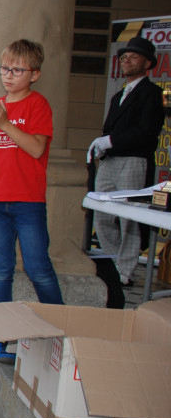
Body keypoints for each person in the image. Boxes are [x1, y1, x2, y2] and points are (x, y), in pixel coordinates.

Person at [0, 39, 64, 362]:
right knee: (0, 270)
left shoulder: (38, 106)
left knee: (38, 267)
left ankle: (61, 330)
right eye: (4, 69)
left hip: (27, 202)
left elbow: (37, 148)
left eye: (17, 70)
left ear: (34, 74)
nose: (8, 76)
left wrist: (5, 125)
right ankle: (1, 339)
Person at [88, 36, 165, 286]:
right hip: (111, 160)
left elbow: (145, 131)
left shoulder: (151, 93)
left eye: (133, 57)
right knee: (102, 213)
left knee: (129, 217)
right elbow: (109, 127)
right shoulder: (118, 95)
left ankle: (125, 270)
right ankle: (115, 261)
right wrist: (102, 145)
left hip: (133, 159)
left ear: (147, 63)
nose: (127, 61)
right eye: (123, 57)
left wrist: (111, 141)